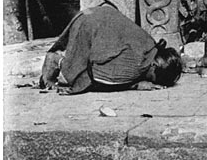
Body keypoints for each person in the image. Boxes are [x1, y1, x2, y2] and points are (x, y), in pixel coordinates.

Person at [39, 5, 183, 94]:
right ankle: (57, 61)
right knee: (72, 76)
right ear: (154, 66)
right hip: (91, 25)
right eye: (153, 78)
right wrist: (135, 84)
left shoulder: (150, 45)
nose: (150, 80)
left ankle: (65, 59)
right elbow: (98, 78)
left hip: (94, 13)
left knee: (82, 56)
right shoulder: (137, 64)